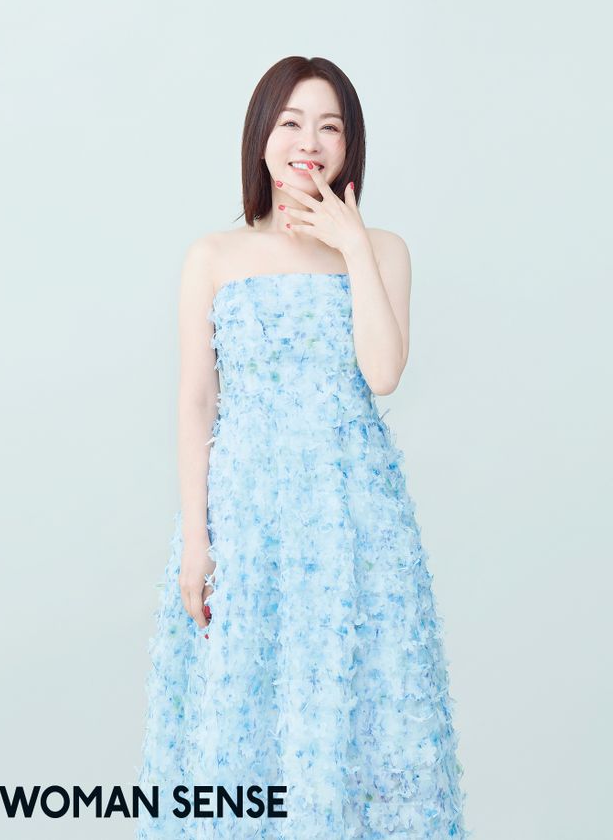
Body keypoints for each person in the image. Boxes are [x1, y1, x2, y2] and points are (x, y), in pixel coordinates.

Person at [136, 56, 470, 839]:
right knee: (244, 727)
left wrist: (352, 247)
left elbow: (383, 373)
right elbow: (196, 402)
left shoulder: (384, 250)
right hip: (247, 523)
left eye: (330, 127)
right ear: (262, 137)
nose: (308, 143)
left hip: (355, 527)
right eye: (290, 123)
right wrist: (197, 541)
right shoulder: (213, 257)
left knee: (360, 722)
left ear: (350, 146)